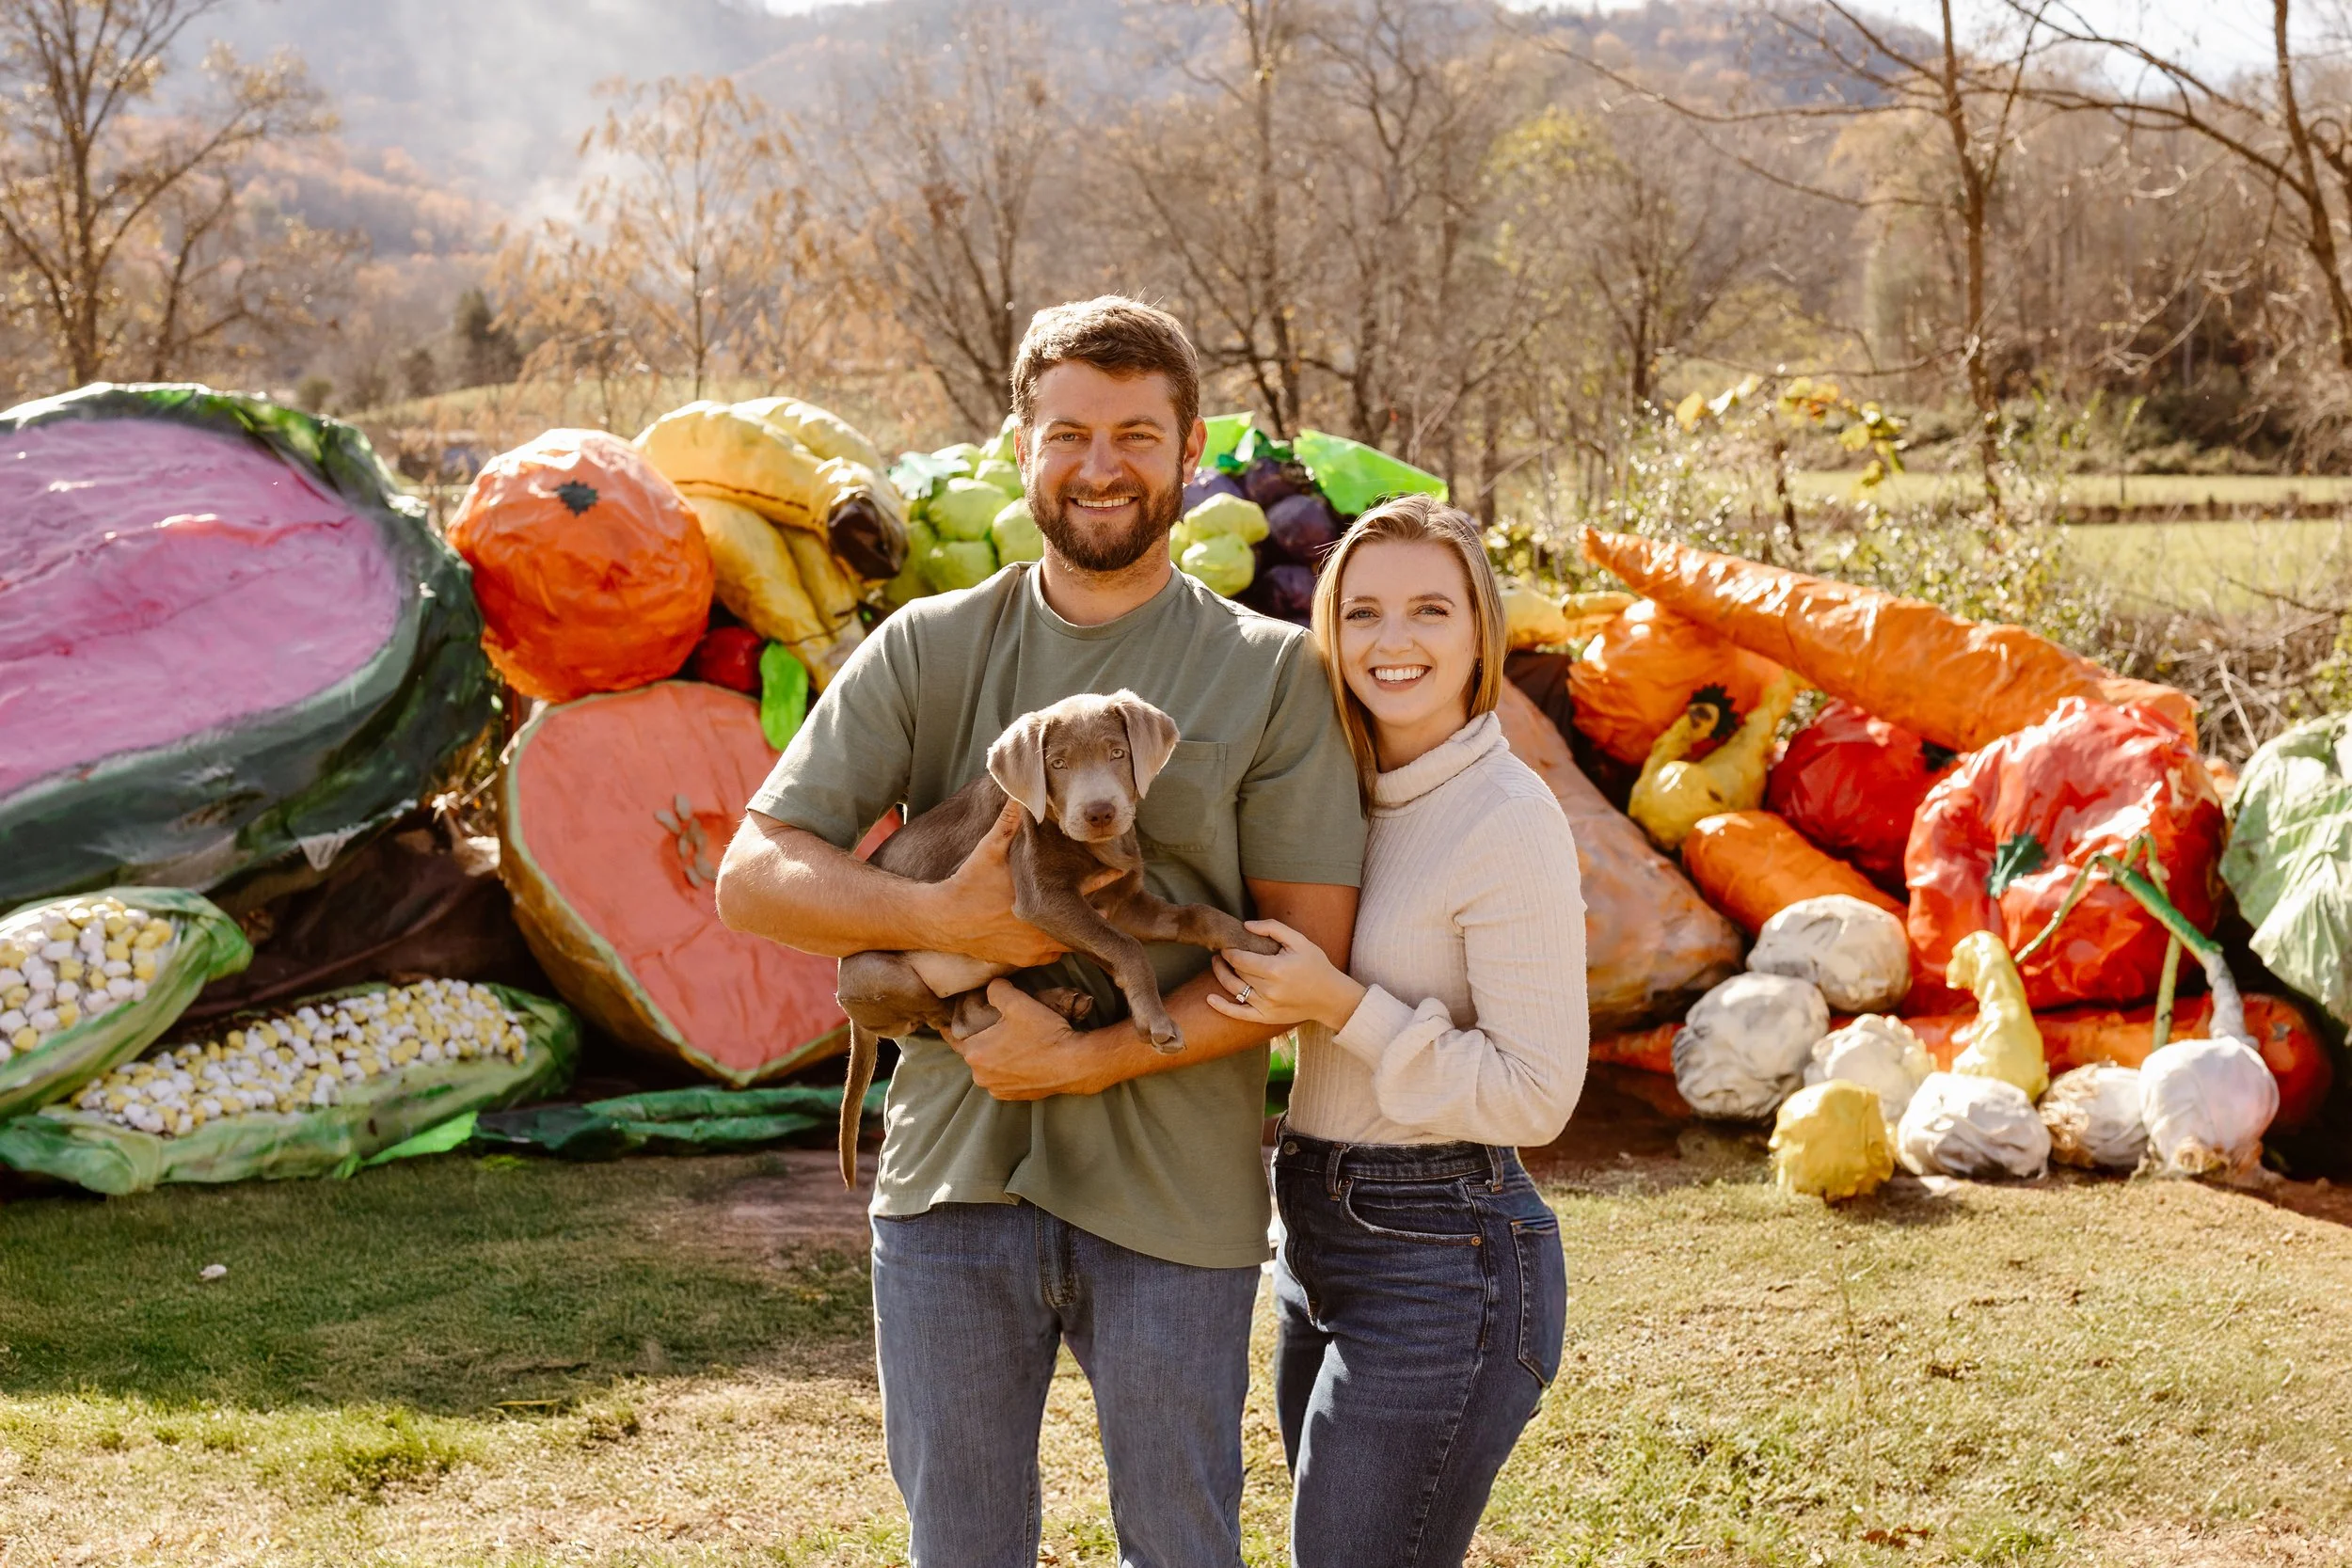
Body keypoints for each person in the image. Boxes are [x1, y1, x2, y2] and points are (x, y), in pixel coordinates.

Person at [713, 296, 1365, 1568]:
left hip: (1177, 1196)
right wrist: (933, 917)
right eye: (1069, 432)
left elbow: (1301, 966)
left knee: (1182, 1542)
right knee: (961, 1547)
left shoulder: (1271, 670)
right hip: (954, 1184)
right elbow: (752, 874)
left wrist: (1083, 1056)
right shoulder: (930, 646)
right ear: (1022, 448)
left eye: (1136, 430)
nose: (1102, 463)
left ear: (1191, 451)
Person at [1206, 494, 1587, 1568]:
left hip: (1446, 1252)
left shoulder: (1505, 819)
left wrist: (1338, 1005)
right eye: (1361, 611)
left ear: (1481, 634)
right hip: (1317, 1228)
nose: (1393, 640)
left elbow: (1536, 1092)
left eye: (1430, 608)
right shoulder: (1331, 798)